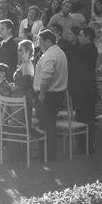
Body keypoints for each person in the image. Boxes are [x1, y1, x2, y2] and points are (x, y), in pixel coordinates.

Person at [34, 29, 68, 161]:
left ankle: (48, 154)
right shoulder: (60, 52)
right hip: (57, 93)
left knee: (46, 125)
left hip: (48, 94)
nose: (39, 44)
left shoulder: (49, 55)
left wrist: (42, 93)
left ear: (48, 41)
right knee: (49, 124)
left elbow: (47, 76)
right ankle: (47, 153)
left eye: (40, 41)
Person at [74, 28, 98, 151]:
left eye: (81, 35)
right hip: (84, 87)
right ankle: (84, 145)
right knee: (83, 117)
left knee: (86, 117)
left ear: (87, 37)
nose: (79, 37)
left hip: (86, 88)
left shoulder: (88, 48)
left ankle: (87, 146)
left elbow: (74, 51)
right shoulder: (87, 48)